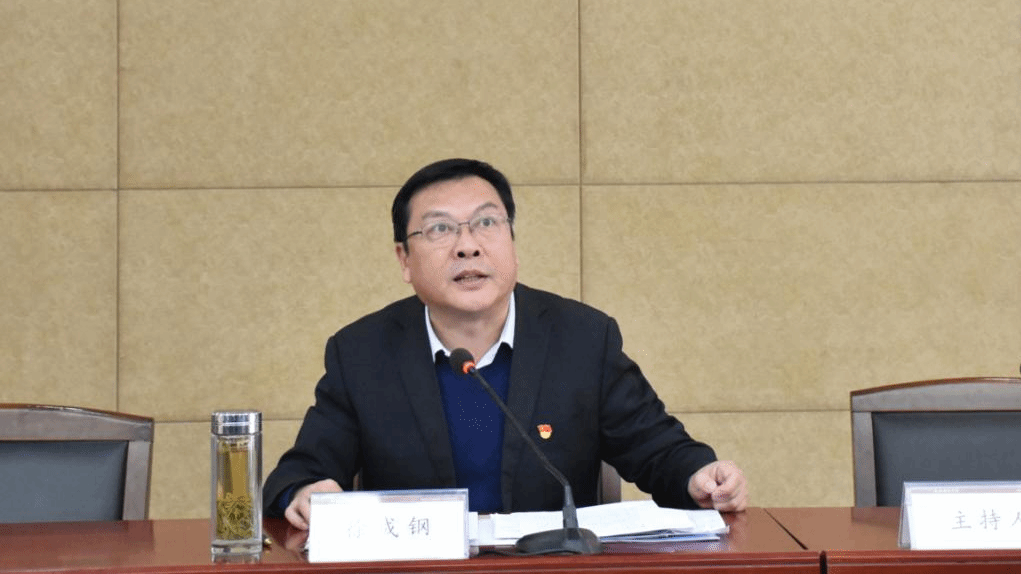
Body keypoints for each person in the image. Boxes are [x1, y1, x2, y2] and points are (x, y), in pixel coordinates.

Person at [263, 158, 747, 530]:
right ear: (404, 259)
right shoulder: (363, 353)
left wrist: (699, 476)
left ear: (512, 240)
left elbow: (658, 449)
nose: (467, 245)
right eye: (440, 229)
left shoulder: (582, 338)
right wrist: (305, 491)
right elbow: (299, 473)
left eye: (487, 223)